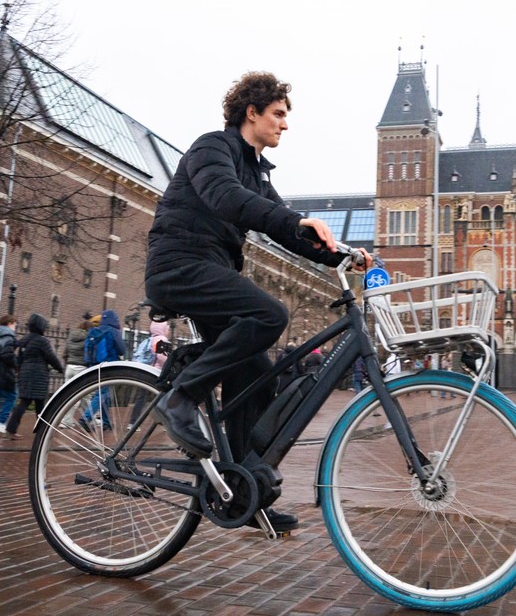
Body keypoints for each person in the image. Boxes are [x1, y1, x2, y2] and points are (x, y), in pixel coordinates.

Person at [144, 71, 371, 532]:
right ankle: (181, 397)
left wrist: (341, 253)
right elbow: (226, 197)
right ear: (253, 112)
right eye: (279, 114)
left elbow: (282, 227)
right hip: (179, 264)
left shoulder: (255, 174)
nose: (285, 125)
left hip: (213, 272)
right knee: (269, 314)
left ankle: (243, 492)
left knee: (256, 375)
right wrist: (294, 218)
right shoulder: (213, 148)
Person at [3, 313, 63, 439]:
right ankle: (42, 431)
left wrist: (19, 369)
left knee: (25, 402)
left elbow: (19, 358)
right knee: (39, 403)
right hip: (38, 375)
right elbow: (51, 357)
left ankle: (12, 429)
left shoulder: (24, 340)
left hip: (25, 373)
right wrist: (61, 368)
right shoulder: (42, 341)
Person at [78, 309, 125, 432]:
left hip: (93, 366)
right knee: (102, 394)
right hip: (107, 366)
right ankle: (85, 418)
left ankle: (106, 422)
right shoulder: (113, 331)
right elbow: (122, 350)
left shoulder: (94, 331)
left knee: (104, 394)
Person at [129, 320, 170, 429]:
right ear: (163, 329)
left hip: (144, 371)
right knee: (165, 397)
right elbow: (162, 358)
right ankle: (166, 424)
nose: (168, 330)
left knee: (141, 398)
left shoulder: (148, 340)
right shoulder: (161, 340)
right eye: (167, 328)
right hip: (156, 373)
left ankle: (133, 423)